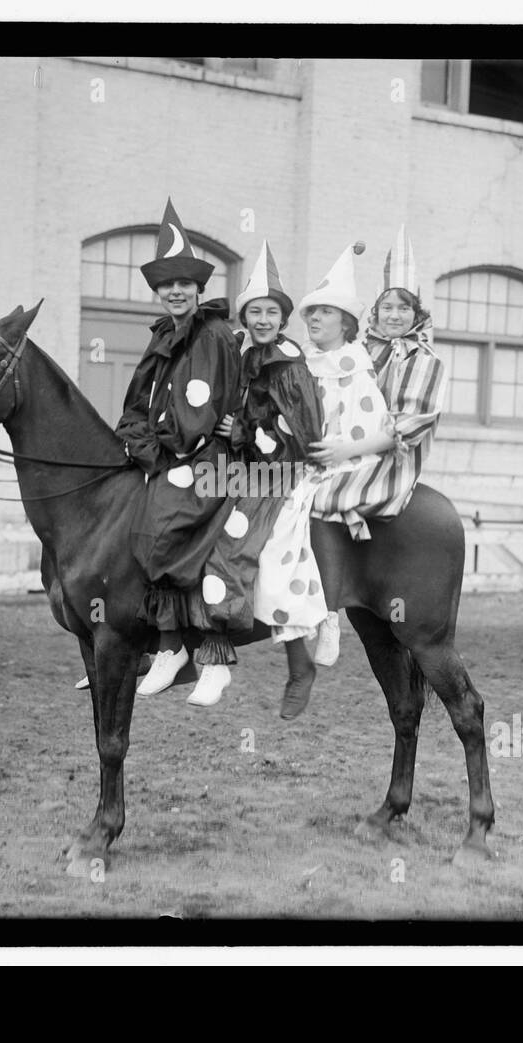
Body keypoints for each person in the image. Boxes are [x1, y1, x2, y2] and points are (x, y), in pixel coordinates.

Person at [114, 199, 242, 704]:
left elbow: (218, 405)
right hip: (167, 460)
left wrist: (227, 433)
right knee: (137, 529)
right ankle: (165, 647)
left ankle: (212, 656)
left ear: (198, 288)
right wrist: (146, 451)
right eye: (166, 285)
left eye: (184, 284)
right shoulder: (161, 338)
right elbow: (136, 406)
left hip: (211, 460)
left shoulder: (216, 335)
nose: (175, 291)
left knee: (178, 534)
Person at [304, 227, 446, 675]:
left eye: (404, 308)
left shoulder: (426, 362)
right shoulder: (360, 350)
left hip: (386, 455)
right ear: (376, 311)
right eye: (387, 306)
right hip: (343, 443)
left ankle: (328, 613)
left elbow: (405, 428)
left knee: (321, 499)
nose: (394, 315)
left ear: (416, 313)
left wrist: (345, 449)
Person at [198, 241, 327, 716]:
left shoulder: (290, 365)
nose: (263, 319)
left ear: (283, 317)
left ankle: (299, 665)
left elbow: (303, 433)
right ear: (245, 315)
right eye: (255, 311)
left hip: (278, 471)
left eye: (272, 311)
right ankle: (174, 647)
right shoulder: (233, 350)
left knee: (265, 555)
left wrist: (248, 430)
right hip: (230, 464)